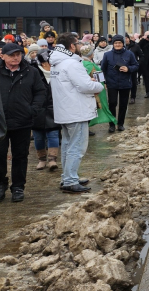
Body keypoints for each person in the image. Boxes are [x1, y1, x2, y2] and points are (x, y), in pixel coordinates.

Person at [0, 43, 46, 203]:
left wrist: (33, 109)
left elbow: (40, 91)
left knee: (20, 155)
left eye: (18, 54)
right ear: (3, 56)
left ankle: (18, 187)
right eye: (12, 55)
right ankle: (0, 184)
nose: (16, 58)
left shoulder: (31, 71)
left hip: (22, 120)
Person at [49, 33, 104, 193]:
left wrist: (87, 82)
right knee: (77, 146)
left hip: (65, 110)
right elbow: (84, 86)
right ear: (71, 46)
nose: (80, 45)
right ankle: (70, 180)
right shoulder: (71, 63)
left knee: (67, 145)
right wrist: (98, 85)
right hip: (76, 110)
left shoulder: (57, 63)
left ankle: (67, 176)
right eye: (77, 43)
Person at [101, 35, 138, 132]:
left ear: (123, 44)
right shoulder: (107, 55)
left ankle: (120, 124)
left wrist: (128, 69)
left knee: (123, 104)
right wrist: (103, 82)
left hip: (125, 83)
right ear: (113, 44)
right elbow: (103, 69)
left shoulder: (129, 54)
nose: (118, 44)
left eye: (119, 43)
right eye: (116, 43)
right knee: (112, 103)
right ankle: (112, 124)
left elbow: (136, 65)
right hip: (111, 83)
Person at [79, 43, 118, 133]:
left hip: (88, 89)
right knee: (93, 108)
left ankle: (86, 129)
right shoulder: (89, 64)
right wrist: (102, 83)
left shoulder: (82, 63)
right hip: (93, 90)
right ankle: (85, 129)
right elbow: (97, 76)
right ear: (91, 54)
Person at [31, 51, 59, 171]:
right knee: (38, 136)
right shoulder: (34, 72)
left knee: (53, 134)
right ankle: (41, 159)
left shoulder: (58, 72)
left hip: (54, 108)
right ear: (43, 63)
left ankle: (52, 159)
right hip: (38, 109)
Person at [126, 34, 144, 104]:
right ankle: (125, 96)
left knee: (133, 82)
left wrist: (138, 63)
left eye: (126, 38)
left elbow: (141, 56)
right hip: (123, 68)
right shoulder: (122, 47)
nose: (126, 39)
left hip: (133, 67)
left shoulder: (135, 46)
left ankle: (133, 97)